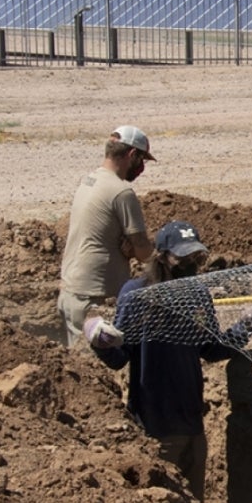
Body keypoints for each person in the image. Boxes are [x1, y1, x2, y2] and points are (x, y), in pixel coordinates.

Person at [87, 220, 252, 502]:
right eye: (183, 258)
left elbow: (211, 349)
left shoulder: (197, 294)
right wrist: (97, 338)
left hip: (193, 425)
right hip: (156, 429)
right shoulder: (138, 295)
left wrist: (248, 324)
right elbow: (118, 359)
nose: (191, 264)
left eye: (196, 257)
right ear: (162, 256)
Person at [57, 125, 157, 347]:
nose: (142, 168)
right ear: (132, 155)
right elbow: (143, 252)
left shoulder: (89, 180)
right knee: (99, 367)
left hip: (71, 291)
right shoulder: (121, 192)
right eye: (142, 160)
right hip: (95, 298)